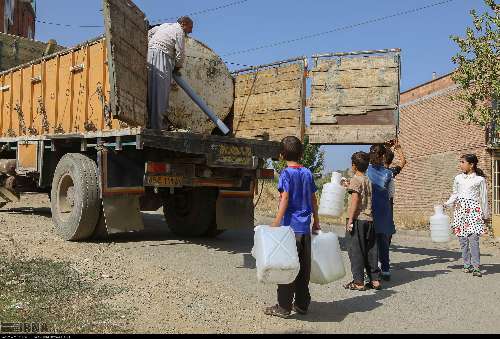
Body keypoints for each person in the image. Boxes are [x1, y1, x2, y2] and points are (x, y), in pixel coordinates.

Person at [264, 136, 321, 318]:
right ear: (302, 154)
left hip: (289, 230)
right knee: (303, 271)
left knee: (286, 268)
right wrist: (317, 221)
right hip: (304, 229)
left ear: (281, 155)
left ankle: (283, 307)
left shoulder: (286, 174)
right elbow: (313, 199)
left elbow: (285, 198)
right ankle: (302, 305)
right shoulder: (307, 173)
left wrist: (276, 222)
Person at [444, 154, 489, 277]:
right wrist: (446, 204)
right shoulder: (458, 178)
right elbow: (455, 194)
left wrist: (485, 216)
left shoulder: (480, 180)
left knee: (473, 239)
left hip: (473, 211)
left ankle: (476, 266)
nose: (460, 164)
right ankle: (466, 264)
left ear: (471, 165)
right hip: (460, 211)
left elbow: (484, 199)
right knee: (463, 240)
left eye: (462, 162)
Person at [343, 152, 381, 291]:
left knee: (356, 251)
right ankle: (375, 280)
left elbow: (355, 201)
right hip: (370, 219)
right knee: (371, 250)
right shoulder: (368, 180)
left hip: (358, 219)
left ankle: (358, 282)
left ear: (353, 165)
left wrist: (350, 220)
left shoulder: (355, 180)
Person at [147, 16, 193, 130]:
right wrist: (177, 67)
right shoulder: (179, 31)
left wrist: (150, 45)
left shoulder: (164, 25)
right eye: (190, 27)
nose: (191, 31)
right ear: (183, 24)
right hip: (162, 56)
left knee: (151, 90)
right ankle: (158, 126)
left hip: (150, 54)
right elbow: (180, 54)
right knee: (161, 93)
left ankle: (150, 123)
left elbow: (149, 32)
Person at [379, 139, 407, 281]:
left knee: (377, 235)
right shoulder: (390, 172)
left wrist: (385, 148)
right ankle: (385, 266)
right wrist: (398, 148)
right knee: (387, 235)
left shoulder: (374, 172)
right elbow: (403, 162)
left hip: (378, 206)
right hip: (388, 206)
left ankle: (377, 265)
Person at [366, 144, 394, 282]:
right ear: (383, 156)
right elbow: (390, 194)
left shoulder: (365, 170)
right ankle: (386, 270)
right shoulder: (388, 173)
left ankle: (372, 270)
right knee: (383, 240)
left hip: (369, 209)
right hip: (384, 209)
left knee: (370, 241)